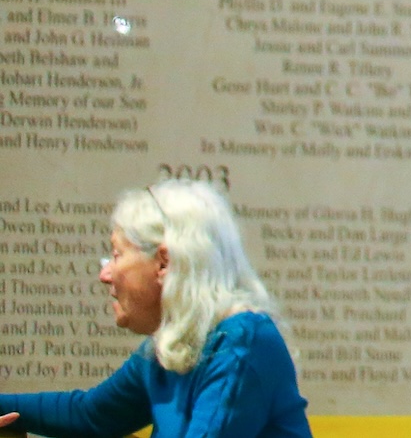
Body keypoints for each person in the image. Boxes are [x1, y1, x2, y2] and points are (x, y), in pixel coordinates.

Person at [0, 178, 310, 438]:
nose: (104, 274)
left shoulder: (242, 345)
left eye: (117, 255)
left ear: (164, 262)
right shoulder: (171, 345)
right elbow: (89, 414)